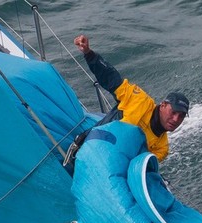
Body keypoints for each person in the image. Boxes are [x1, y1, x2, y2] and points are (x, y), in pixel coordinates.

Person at [73, 34, 189, 163]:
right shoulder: (138, 99)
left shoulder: (161, 149)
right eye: (173, 112)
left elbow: (138, 168)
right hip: (89, 147)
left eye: (181, 116)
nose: (176, 119)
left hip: (107, 167)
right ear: (162, 105)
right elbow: (111, 78)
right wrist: (89, 53)